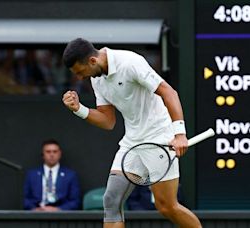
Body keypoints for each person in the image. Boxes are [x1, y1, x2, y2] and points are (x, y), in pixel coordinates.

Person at [62, 38, 201, 227]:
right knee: (111, 200)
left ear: (92, 61)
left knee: (167, 207)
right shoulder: (97, 79)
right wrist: (78, 108)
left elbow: (169, 93)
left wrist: (179, 134)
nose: (80, 77)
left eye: (80, 71)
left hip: (159, 138)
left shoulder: (130, 62)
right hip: (132, 141)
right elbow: (108, 120)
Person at [24, 139, 81, 211]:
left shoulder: (70, 175)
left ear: (60, 154)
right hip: (37, 215)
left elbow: (75, 201)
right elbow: (24, 199)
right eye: (48, 152)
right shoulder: (31, 175)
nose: (52, 155)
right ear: (43, 154)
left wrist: (58, 209)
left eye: (55, 152)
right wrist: (35, 209)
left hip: (61, 216)